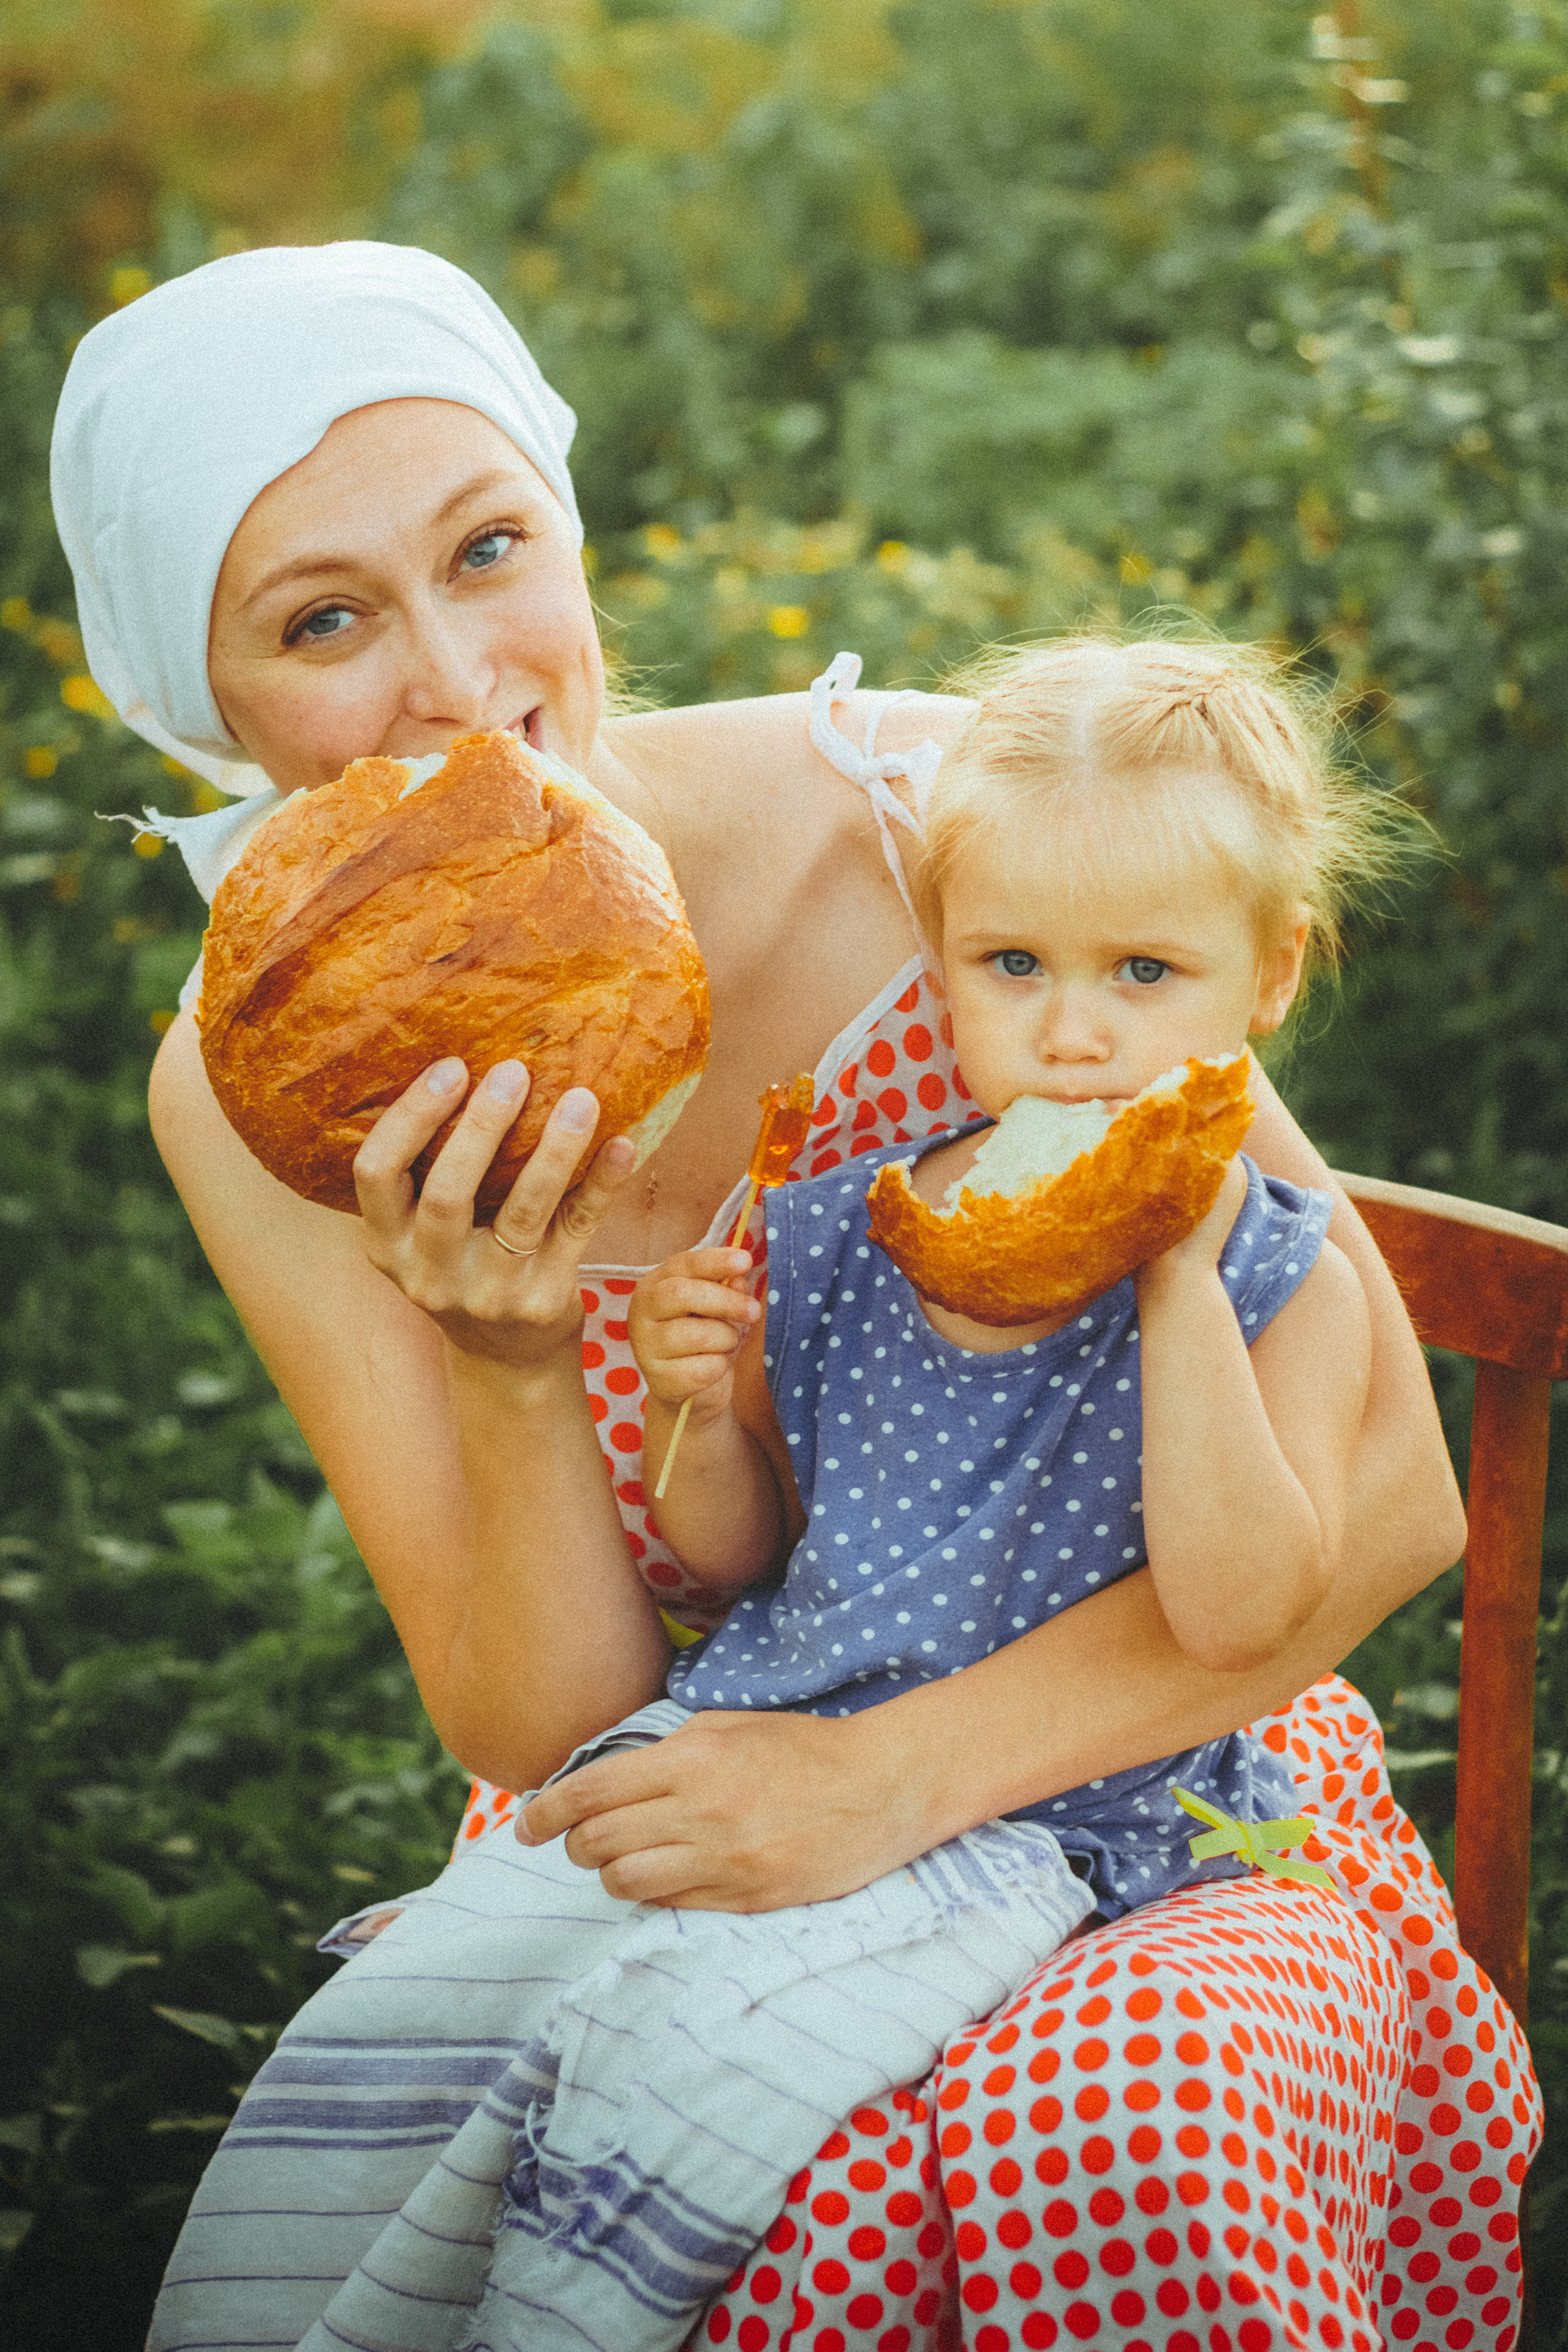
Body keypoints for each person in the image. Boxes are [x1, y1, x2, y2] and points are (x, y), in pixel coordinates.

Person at [42, 242, 1530, 2351]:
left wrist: (898, 1781)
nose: (462, 685)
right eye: (324, 621)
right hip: (683, 1801)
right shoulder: (258, 1087)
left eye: (491, 553)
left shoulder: (935, 829)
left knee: (1124, 2129)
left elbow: (1390, 1497)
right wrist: (506, 1363)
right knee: (717, 2204)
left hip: (1167, 1776)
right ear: (210, 707)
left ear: (569, 529)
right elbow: (545, 1722)